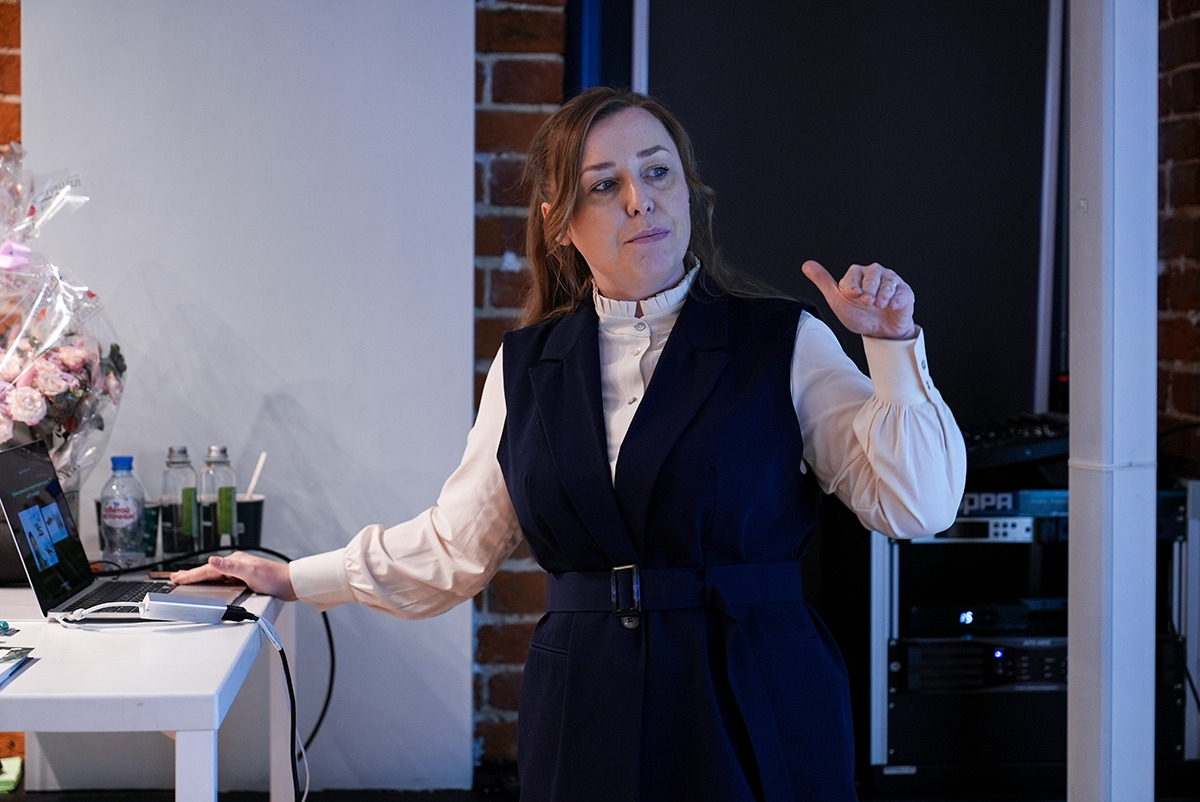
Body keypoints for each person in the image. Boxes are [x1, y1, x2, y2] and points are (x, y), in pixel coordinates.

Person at [174, 86, 966, 801]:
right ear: (560, 222)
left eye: (657, 172)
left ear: (688, 191)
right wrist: (291, 578)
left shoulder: (784, 341)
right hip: (586, 703)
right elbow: (454, 548)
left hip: (754, 692)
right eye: (604, 185)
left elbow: (916, 507)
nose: (640, 200)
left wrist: (892, 347)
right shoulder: (527, 365)